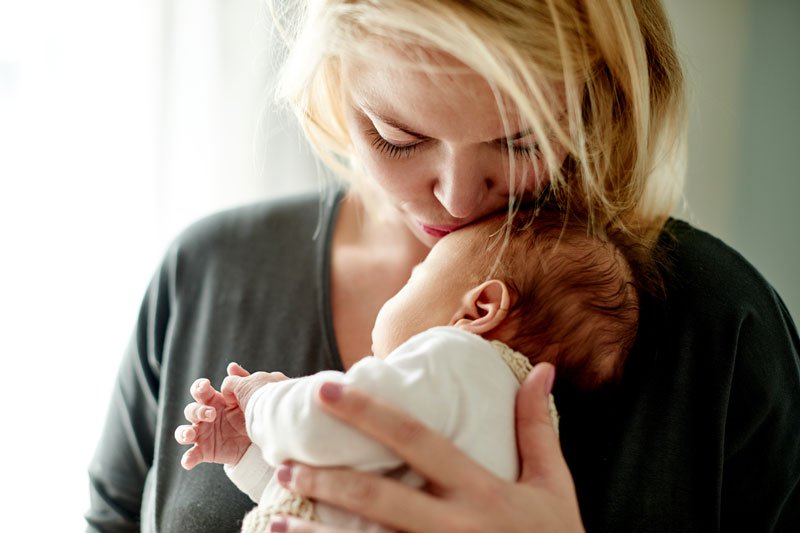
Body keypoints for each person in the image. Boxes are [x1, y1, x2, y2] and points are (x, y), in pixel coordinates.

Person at [85, 0, 800, 531]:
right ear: (333, 87)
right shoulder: (208, 270)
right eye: (397, 137)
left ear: (596, 102)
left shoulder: (720, 327)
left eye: (520, 142)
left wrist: (269, 402)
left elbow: (316, 425)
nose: (456, 198)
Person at [173, 209, 638, 531]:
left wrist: (261, 400)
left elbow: (324, 423)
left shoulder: (459, 359)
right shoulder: (513, 431)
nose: (403, 283)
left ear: (479, 309)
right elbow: (327, 497)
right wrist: (248, 458)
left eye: (419, 275)